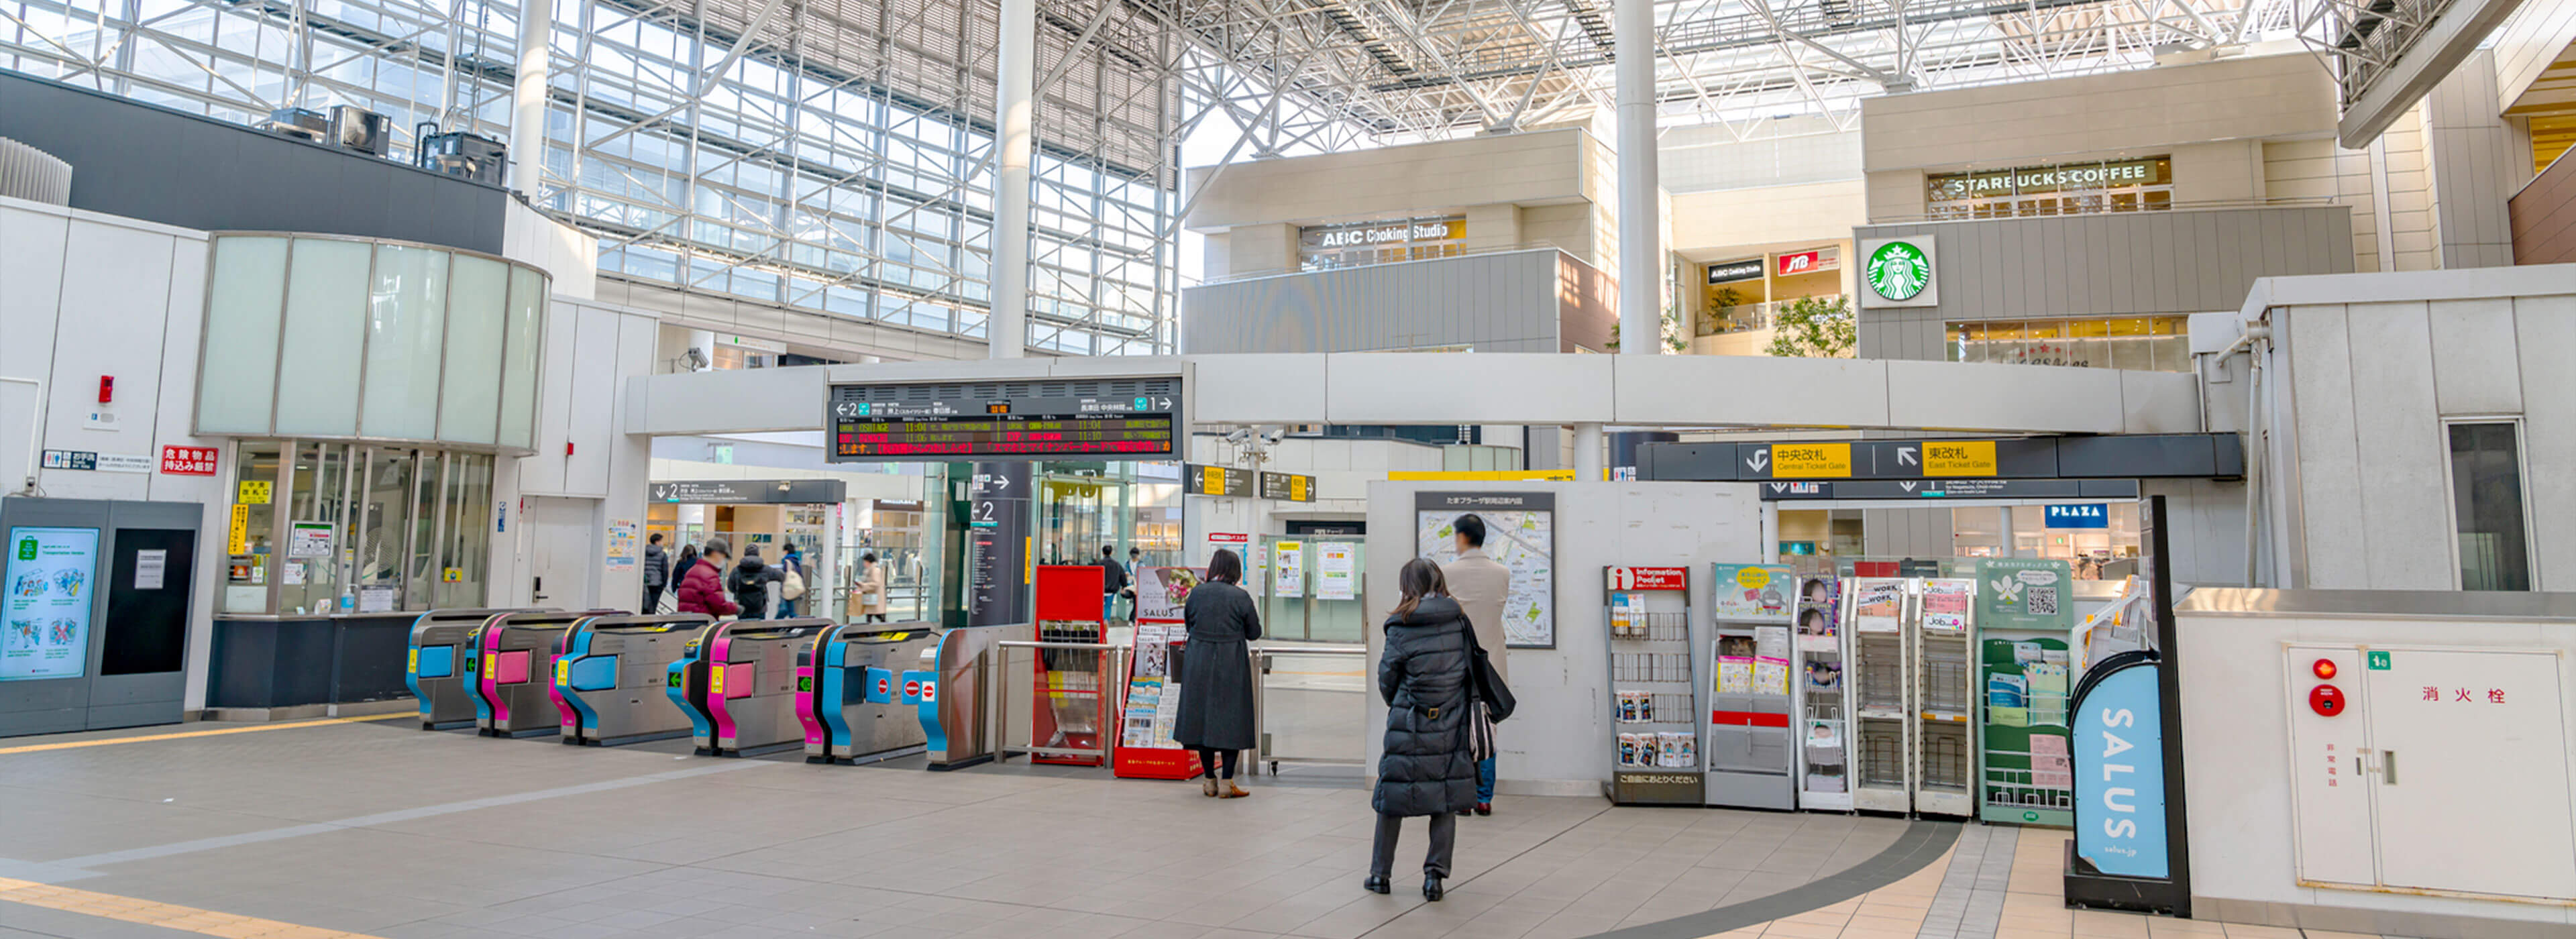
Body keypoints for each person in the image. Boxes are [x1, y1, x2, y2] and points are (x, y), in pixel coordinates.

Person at [1368, 558, 1477, 901]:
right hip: (1450, 721)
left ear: (1407, 586)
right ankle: (1434, 879)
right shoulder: (1459, 620)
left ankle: (1380, 876)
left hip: (1409, 721)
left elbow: (1387, 679)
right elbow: (1467, 671)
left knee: (1392, 798)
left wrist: (1401, 702)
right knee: (1444, 799)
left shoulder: (1400, 626)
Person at [1438, 513, 1509, 816]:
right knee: (1487, 729)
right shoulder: (1502, 573)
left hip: (1455, 663)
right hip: (1491, 664)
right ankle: (1484, 797)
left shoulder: (1446, 572)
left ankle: (1462, 796)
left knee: (1456, 728)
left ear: (1463, 537)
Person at [1175, 547, 1260, 799]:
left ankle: (1209, 781)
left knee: (1202, 721)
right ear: (1235, 570)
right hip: (1231, 662)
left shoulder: (1197, 593)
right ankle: (1227, 783)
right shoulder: (1240, 596)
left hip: (1198, 660)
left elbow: (1189, 624)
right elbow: (1254, 632)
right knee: (1231, 719)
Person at [675, 539, 738, 618]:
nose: (724, 561)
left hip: (688, 621)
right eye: (724, 557)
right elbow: (719, 605)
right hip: (703, 622)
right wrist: (736, 608)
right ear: (715, 554)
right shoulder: (710, 575)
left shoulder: (692, 571)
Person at [728, 545, 784, 620]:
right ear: (758, 554)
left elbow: (730, 587)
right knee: (759, 629)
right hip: (760, 607)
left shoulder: (737, 570)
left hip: (742, 606)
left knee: (741, 629)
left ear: (745, 554)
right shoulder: (765, 569)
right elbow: (780, 576)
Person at [1099, 545, 1130, 624]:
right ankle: (1106, 623)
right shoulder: (1117, 564)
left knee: (1099, 607)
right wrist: (1124, 586)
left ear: (1103, 553)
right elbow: (1122, 575)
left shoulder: (1099, 563)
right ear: (1111, 553)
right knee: (1108, 607)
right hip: (1111, 590)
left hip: (1100, 590)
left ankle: (1099, 623)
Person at [854, 551, 889, 622]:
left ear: (869, 562)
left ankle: (873, 631)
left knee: (874, 615)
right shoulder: (869, 571)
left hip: (875, 598)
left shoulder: (875, 570)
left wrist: (864, 585)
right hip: (871, 597)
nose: (864, 564)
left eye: (865, 562)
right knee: (873, 615)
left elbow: (876, 583)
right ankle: (872, 630)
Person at [641, 533, 669, 613]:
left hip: (645, 582)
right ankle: (650, 622)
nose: (662, 543)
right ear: (657, 542)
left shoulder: (644, 552)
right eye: (661, 541)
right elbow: (665, 571)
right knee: (653, 605)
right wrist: (664, 584)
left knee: (644, 604)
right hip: (657, 583)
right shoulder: (662, 554)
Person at [777, 543, 806, 618]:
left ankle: (772, 628)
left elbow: (784, 575)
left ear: (786, 551)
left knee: (783, 610)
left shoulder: (787, 561)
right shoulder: (796, 561)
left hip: (787, 588)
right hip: (794, 588)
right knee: (791, 612)